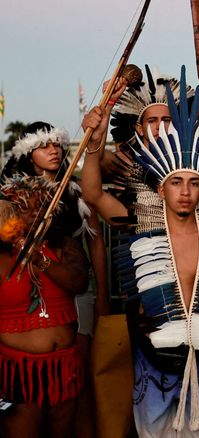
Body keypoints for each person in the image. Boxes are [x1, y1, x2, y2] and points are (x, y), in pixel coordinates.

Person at [81, 69, 199, 436]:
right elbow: (93, 194)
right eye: (175, 183)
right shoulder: (141, 220)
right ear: (161, 189)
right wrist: (94, 141)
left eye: (193, 183)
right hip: (152, 360)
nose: (185, 191)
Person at [2, 121, 107, 438]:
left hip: (70, 308)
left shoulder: (75, 195)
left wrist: (101, 297)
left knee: (83, 385)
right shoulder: (7, 199)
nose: (53, 150)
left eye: (57, 144)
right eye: (43, 145)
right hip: (19, 339)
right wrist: (19, 237)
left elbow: (93, 248)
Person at [0, 175, 89, 438]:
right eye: (26, 207)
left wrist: (41, 260)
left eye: (42, 205)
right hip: (17, 371)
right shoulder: (1, 257)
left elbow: (79, 282)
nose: (36, 213)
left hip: (65, 367)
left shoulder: (64, 247)